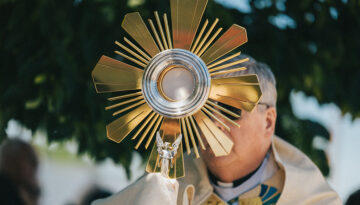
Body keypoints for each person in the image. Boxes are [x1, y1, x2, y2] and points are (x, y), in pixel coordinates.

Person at [92, 55, 341, 205]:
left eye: (231, 111)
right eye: (204, 109)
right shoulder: (169, 182)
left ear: (268, 121)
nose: (213, 123)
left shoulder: (309, 199)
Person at [0, 138, 40, 205]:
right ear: (11, 162)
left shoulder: (18, 191)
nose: (34, 168)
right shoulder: (5, 191)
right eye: (30, 160)